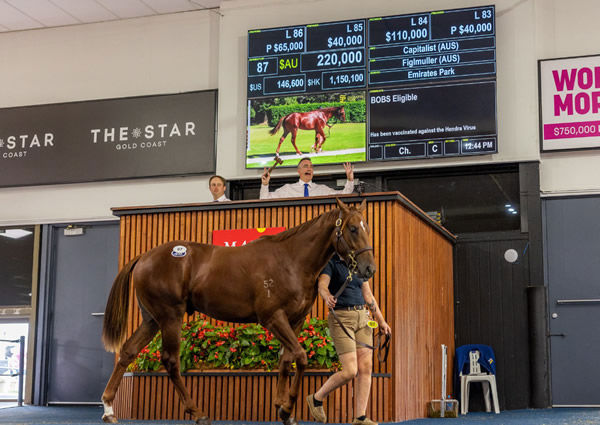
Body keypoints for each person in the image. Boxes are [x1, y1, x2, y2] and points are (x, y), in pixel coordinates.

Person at [307, 254, 392, 425]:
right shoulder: (331, 262)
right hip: (341, 318)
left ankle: (360, 417)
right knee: (350, 371)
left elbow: (368, 295)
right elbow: (322, 285)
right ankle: (316, 398)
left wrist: (381, 320)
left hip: (363, 317)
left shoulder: (359, 264)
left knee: (366, 368)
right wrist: (326, 296)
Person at [260, 158, 354, 199]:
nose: (309, 168)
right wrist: (265, 185)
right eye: (305, 166)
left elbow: (344, 194)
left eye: (311, 166)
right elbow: (264, 199)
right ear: (299, 171)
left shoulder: (322, 189)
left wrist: (350, 180)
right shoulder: (287, 189)